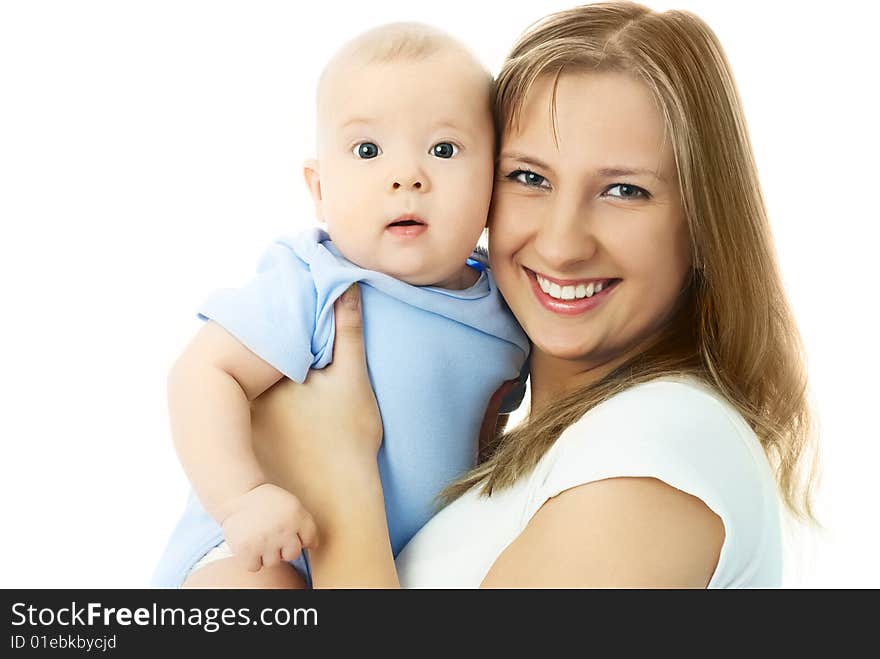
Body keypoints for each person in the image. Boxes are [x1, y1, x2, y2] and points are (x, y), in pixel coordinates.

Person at [248, 1, 820, 588]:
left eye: (625, 190)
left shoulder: (653, 454)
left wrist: (341, 483)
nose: (563, 243)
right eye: (529, 178)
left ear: (704, 224)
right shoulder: (556, 447)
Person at [150, 22, 529, 589]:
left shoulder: (507, 305)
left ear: (493, 184)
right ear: (320, 188)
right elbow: (202, 374)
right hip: (260, 547)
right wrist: (243, 499)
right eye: (368, 150)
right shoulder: (317, 280)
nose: (407, 177)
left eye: (444, 149)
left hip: (376, 561)